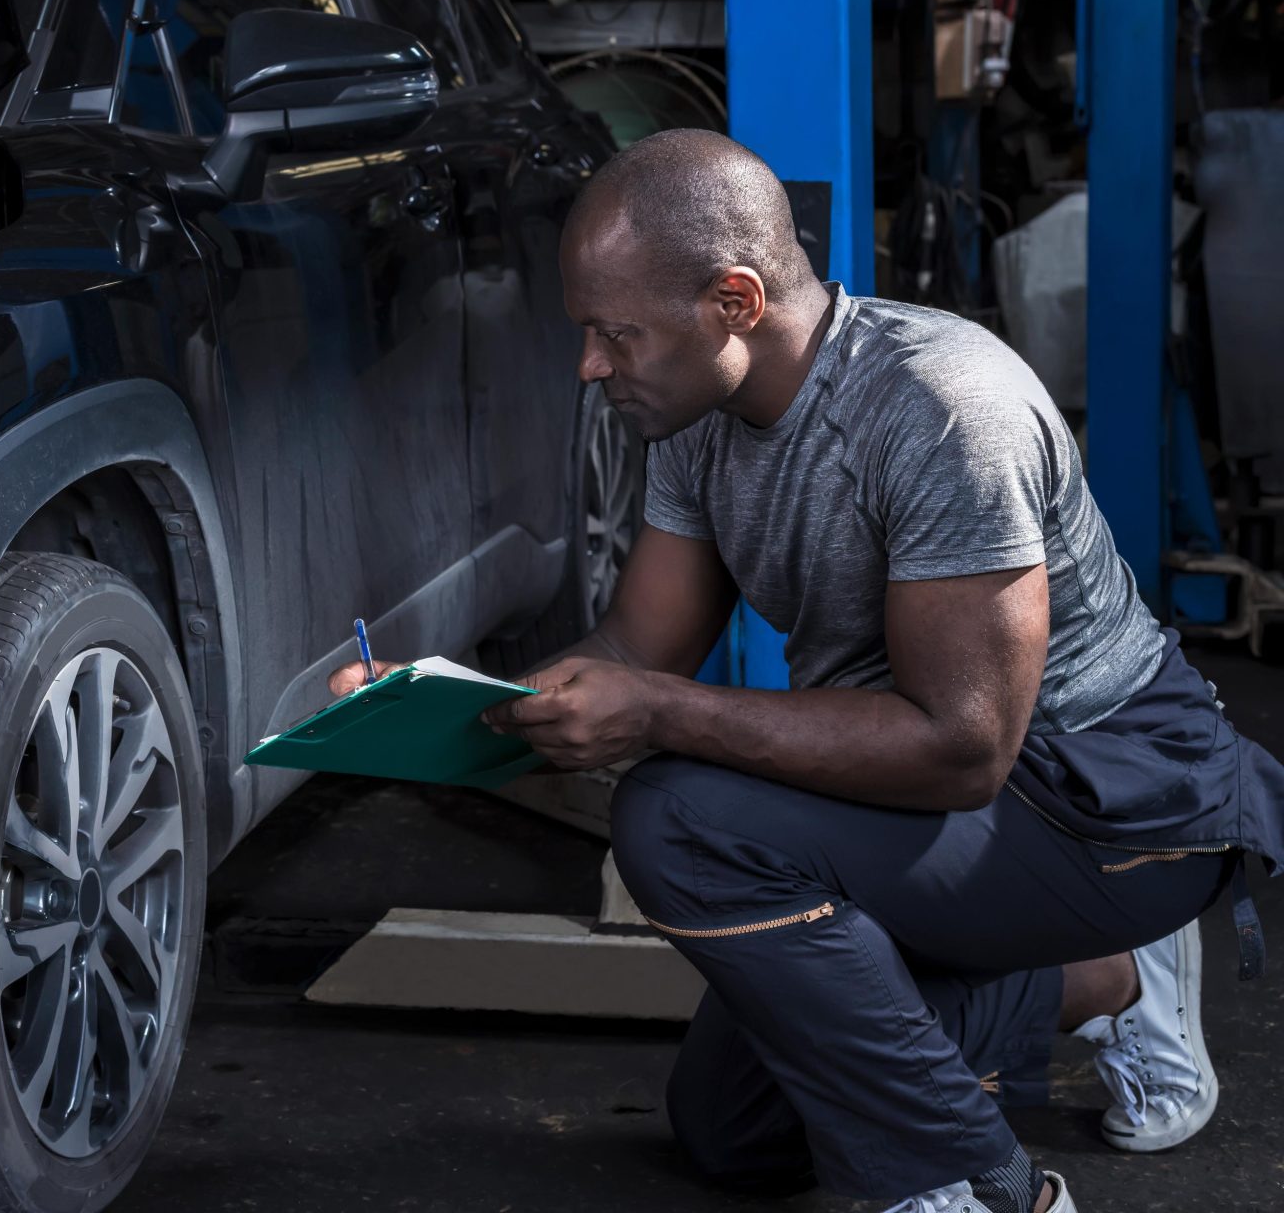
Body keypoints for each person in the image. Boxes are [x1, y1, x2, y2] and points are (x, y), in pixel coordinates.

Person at [330, 129, 1284, 1213]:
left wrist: (659, 713)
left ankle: (983, 1187)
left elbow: (964, 748)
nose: (592, 366)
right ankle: (1103, 979)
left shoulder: (942, 408)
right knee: (733, 1131)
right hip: (937, 794)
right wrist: (446, 702)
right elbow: (638, 651)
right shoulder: (696, 413)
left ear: (733, 301)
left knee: (678, 815)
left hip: (1112, 800)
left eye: (615, 333)